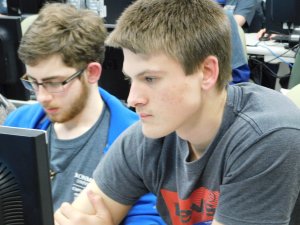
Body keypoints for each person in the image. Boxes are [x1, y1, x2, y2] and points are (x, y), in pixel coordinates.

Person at [54, 0, 300, 224]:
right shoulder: (146, 139)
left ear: (206, 72)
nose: (132, 100)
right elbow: (80, 216)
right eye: (131, 80)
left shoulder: (268, 137)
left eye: (150, 78)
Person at [3, 3, 165, 225]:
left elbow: (150, 219)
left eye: (54, 83)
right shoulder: (19, 124)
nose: (41, 97)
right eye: (33, 82)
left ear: (92, 72)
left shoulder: (139, 142)